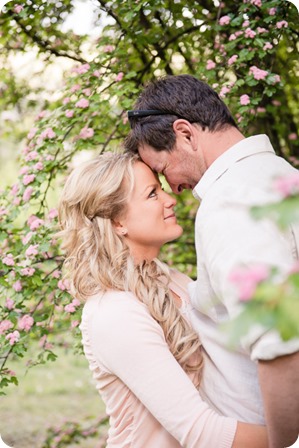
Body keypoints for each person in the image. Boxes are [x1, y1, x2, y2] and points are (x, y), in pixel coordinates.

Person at [124, 74, 299, 448]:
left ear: (185, 134)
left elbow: (280, 345)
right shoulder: (282, 177)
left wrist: (283, 443)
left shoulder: (229, 204)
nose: (172, 188)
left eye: (163, 168)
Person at [58, 152, 267, 447]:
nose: (170, 200)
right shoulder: (114, 313)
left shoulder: (167, 278)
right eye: (152, 194)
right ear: (118, 222)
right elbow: (200, 432)